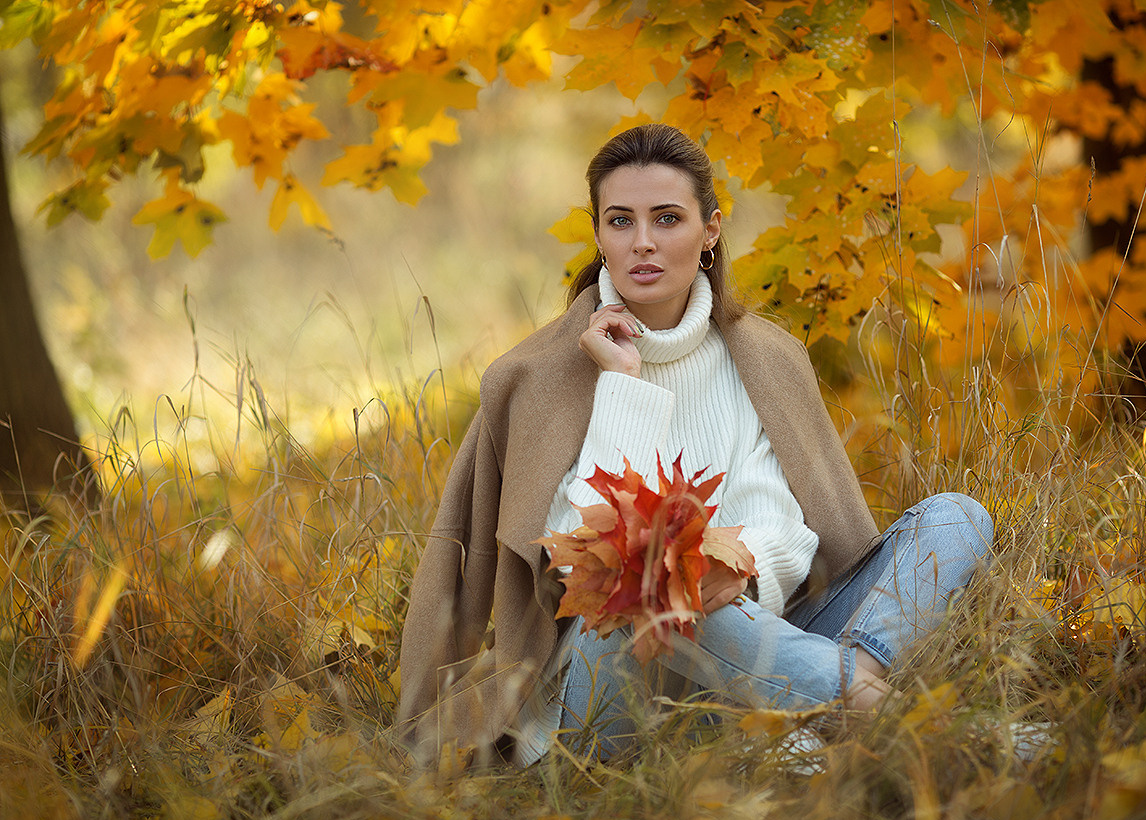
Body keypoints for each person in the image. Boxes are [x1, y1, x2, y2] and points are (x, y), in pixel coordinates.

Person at [396, 123, 993, 767]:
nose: (643, 242)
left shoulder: (763, 358)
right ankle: (890, 715)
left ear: (709, 231)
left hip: (760, 640)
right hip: (611, 692)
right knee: (653, 582)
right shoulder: (541, 377)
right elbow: (589, 565)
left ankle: (806, 707)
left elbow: (787, 532)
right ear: (597, 236)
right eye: (620, 221)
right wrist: (621, 385)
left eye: (668, 218)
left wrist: (739, 566)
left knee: (956, 516)